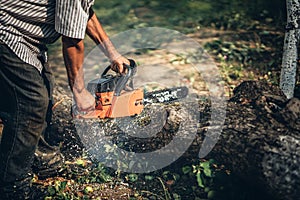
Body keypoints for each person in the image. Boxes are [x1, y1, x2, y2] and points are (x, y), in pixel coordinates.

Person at [0, 0, 129, 199]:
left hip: (25, 35)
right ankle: (12, 187)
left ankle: (44, 162)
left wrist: (112, 54)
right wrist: (79, 93)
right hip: (7, 32)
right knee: (31, 104)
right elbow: (72, 40)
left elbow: (84, 12)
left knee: (45, 88)